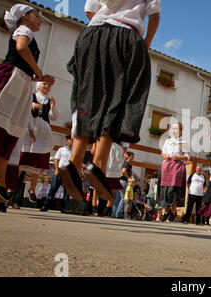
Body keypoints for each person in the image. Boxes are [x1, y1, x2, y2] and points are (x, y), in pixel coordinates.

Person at [61, 0, 161, 203]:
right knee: (119, 98)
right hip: (125, 36)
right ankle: (97, 166)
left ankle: (74, 162)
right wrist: (145, 44)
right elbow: (155, 16)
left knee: (88, 97)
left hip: (91, 35)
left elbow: (90, 10)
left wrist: (106, 21)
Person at [0, 4, 54, 202]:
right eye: (37, 16)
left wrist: (39, 78)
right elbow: (20, 48)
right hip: (11, 79)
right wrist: (40, 73)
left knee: (10, 130)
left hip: (21, 82)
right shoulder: (23, 30)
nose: (40, 20)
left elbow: (24, 64)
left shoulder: (28, 32)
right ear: (25, 16)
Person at [20, 81, 60, 203]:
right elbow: (23, 107)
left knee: (36, 165)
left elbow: (53, 117)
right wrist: (33, 105)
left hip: (42, 134)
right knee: (20, 162)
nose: (47, 87)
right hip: (28, 131)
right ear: (38, 86)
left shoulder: (48, 101)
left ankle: (32, 190)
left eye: (49, 85)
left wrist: (53, 106)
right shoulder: (32, 97)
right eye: (44, 84)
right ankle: (10, 188)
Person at [159, 123, 190, 223]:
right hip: (167, 166)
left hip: (177, 167)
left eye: (176, 129)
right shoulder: (168, 141)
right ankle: (167, 211)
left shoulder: (183, 142)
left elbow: (187, 156)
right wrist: (164, 156)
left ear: (181, 131)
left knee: (174, 190)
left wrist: (178, 157)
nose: (174, 130)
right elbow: (163, 152)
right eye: (173, 129)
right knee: (166, 190)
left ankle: (172, 211)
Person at [40, 136, 72, 212]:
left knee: (67, 191)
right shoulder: (61, 149)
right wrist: (56, 169)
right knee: (53, 188)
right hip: (60, 170)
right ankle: (45, 206)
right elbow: (57, 159)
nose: (72, 141)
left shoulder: (74, 151)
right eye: (71, 140)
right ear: (67, 140)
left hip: (69, 172)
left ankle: (63, 208)